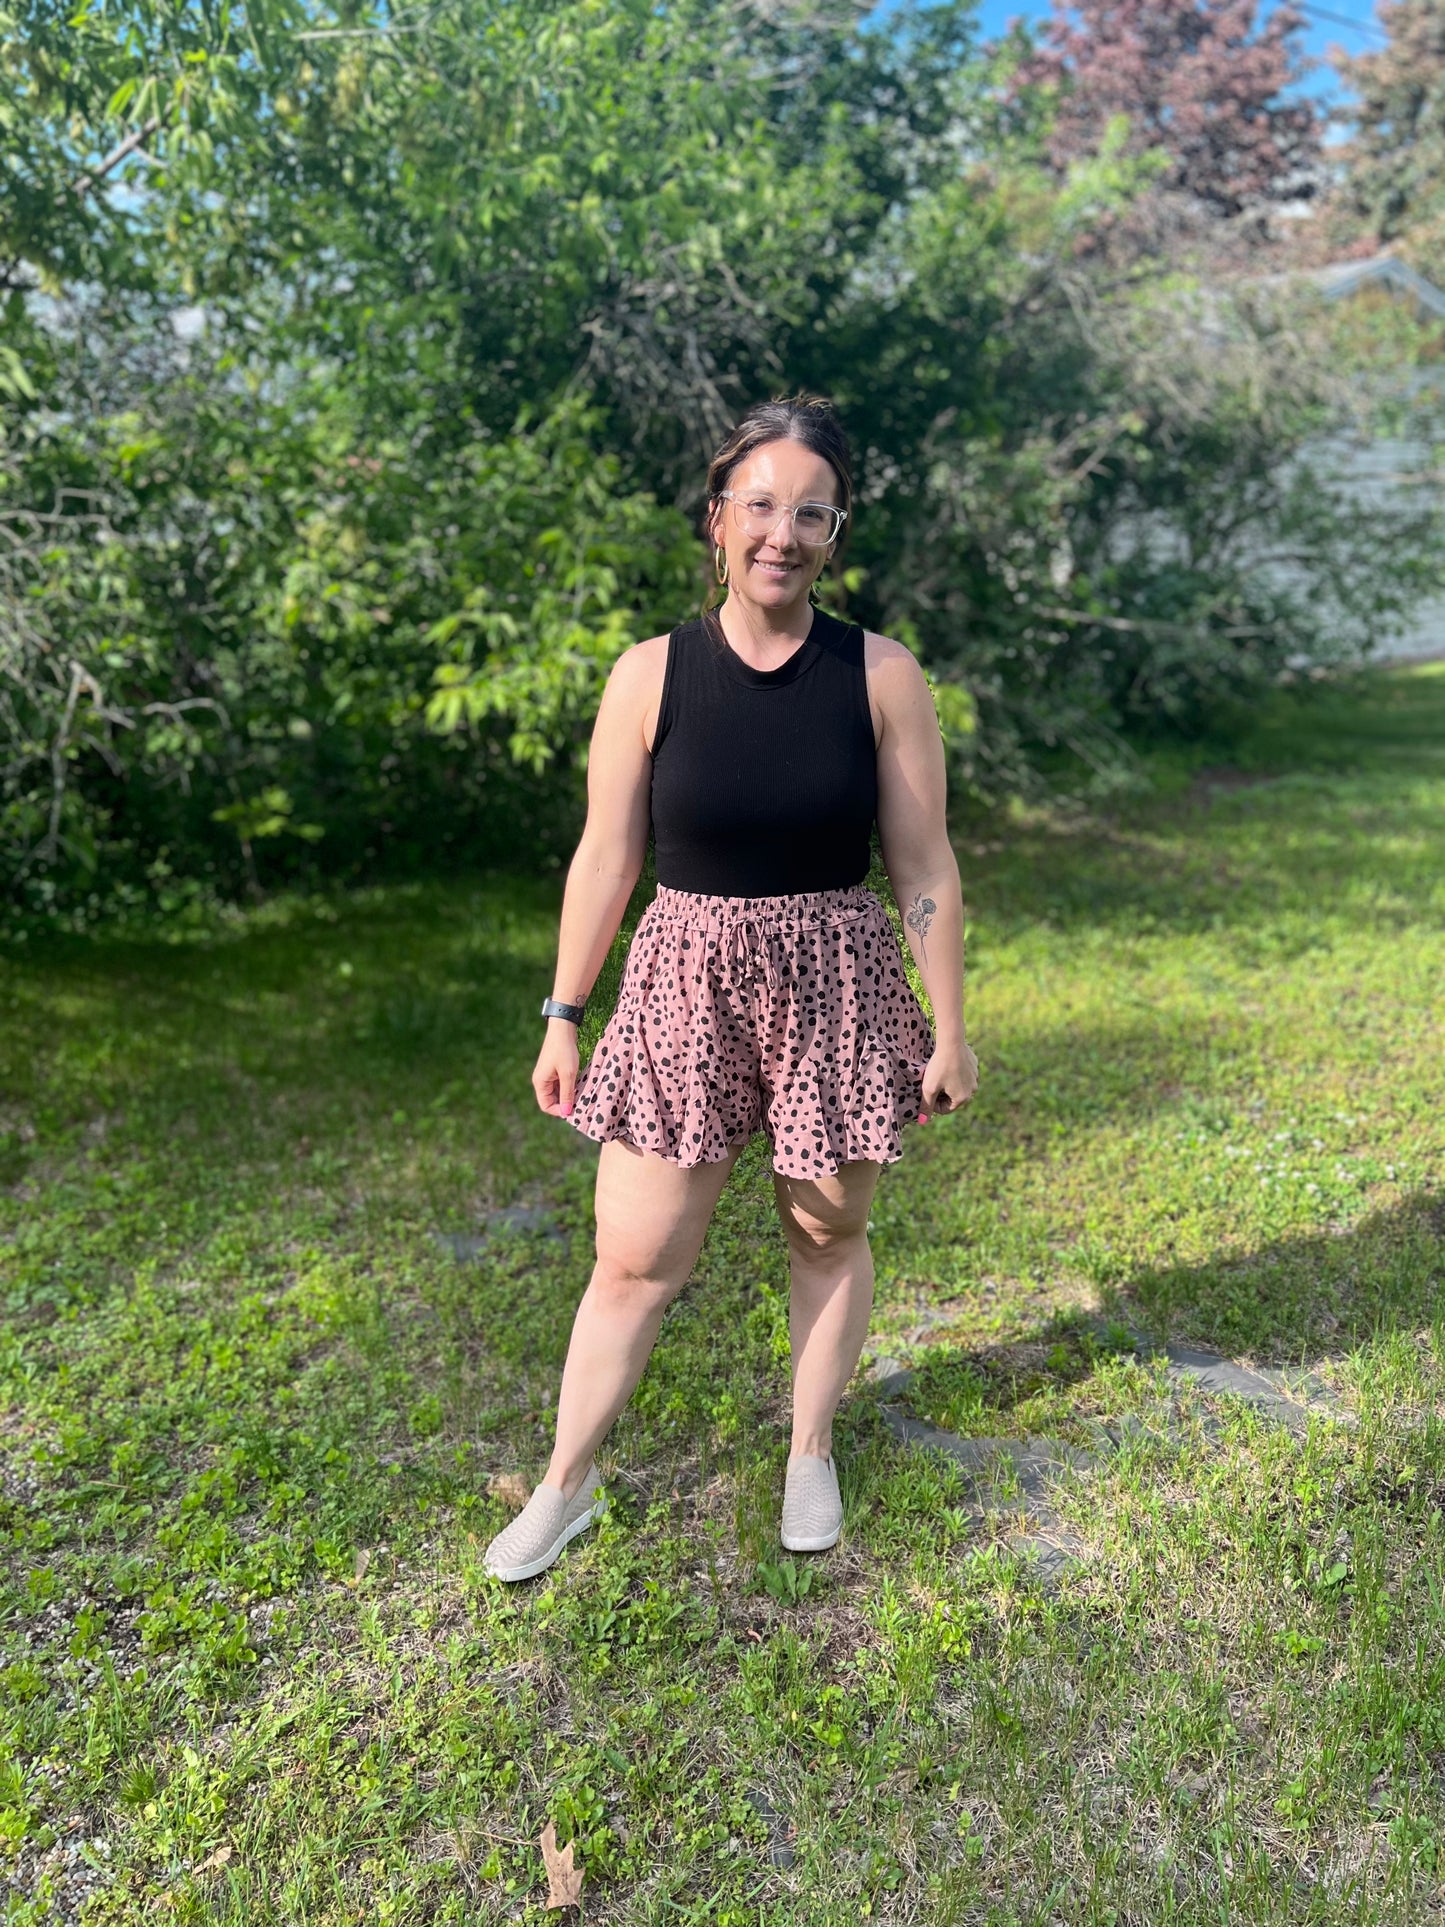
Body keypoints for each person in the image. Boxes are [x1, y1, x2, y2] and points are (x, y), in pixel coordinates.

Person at [484, 395, 978, 1583]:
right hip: (679, 982)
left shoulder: (882, 674)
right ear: (717, 519)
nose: (783, 533)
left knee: (827, 1227)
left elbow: (924, 861)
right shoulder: (648, 674)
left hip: (838, 982)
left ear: (835, 532)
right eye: (759, 505)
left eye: (812, 513)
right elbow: (605, 858)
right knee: (635, 1254)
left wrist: (949, 1026)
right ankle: (567, 1482)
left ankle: (808, 1450)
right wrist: (563, 1011)